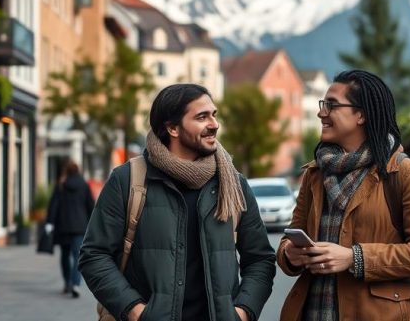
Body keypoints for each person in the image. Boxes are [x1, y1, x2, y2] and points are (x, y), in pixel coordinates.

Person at [79, 83, 275, 321]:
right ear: (172, 128)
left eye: (214, 115)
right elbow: (94, 255)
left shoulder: (233, 184)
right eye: (202, 117)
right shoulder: (128, 180)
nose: (214, 124)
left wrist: (242, 312)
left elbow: (260, 259)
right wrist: (136, 312)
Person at [278, 70, 410, 321]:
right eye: (323, 104)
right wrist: (290, 254)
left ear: (361, 115)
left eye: (331, 105)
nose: (321, 112)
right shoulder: (315, 173)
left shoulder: (406, 173)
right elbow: (290, 237)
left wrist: (354, 257)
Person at [45, 159, 94, 298]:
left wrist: (49, 223)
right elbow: (91, 205)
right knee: (77, 256)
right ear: (78, 171)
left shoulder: (61, 185)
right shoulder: (84, 185)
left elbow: (53, 205)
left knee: (65, 256)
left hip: (63, 226)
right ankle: (76, 284)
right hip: (79, 227)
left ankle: (67, 283)